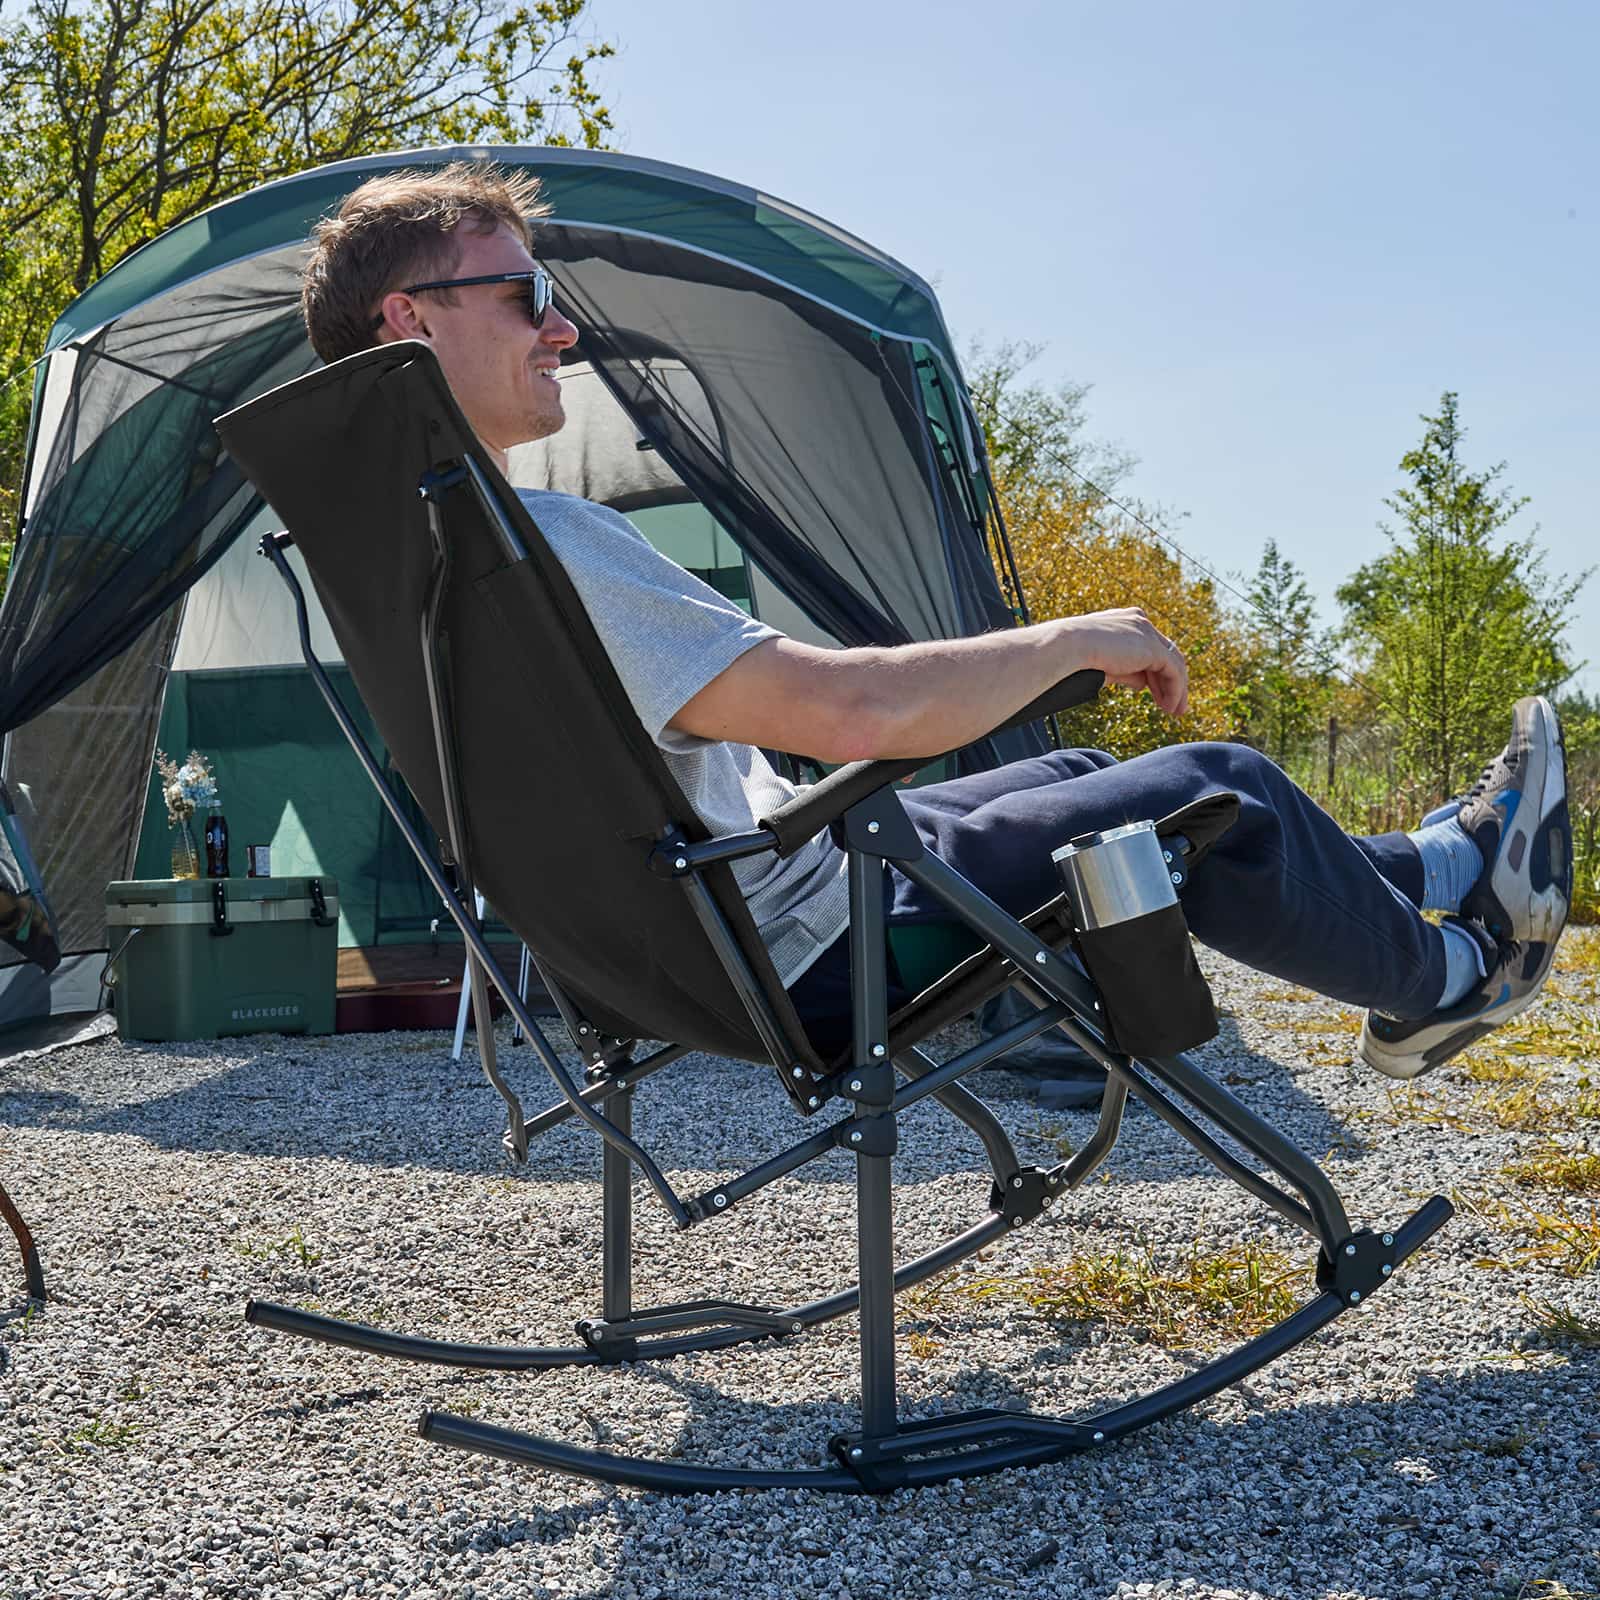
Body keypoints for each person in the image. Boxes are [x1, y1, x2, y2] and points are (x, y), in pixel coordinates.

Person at [299, 162, 1574, 1090]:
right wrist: (1073, 638)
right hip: (812, 945)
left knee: (1084, 773)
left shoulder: (411, 558)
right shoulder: (537, 546)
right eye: (524, 293)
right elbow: (849, 712)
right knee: (1214, 789)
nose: (561, 324)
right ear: (410, 318)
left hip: (686, 951)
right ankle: (1445, 985)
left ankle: (1445, 867)